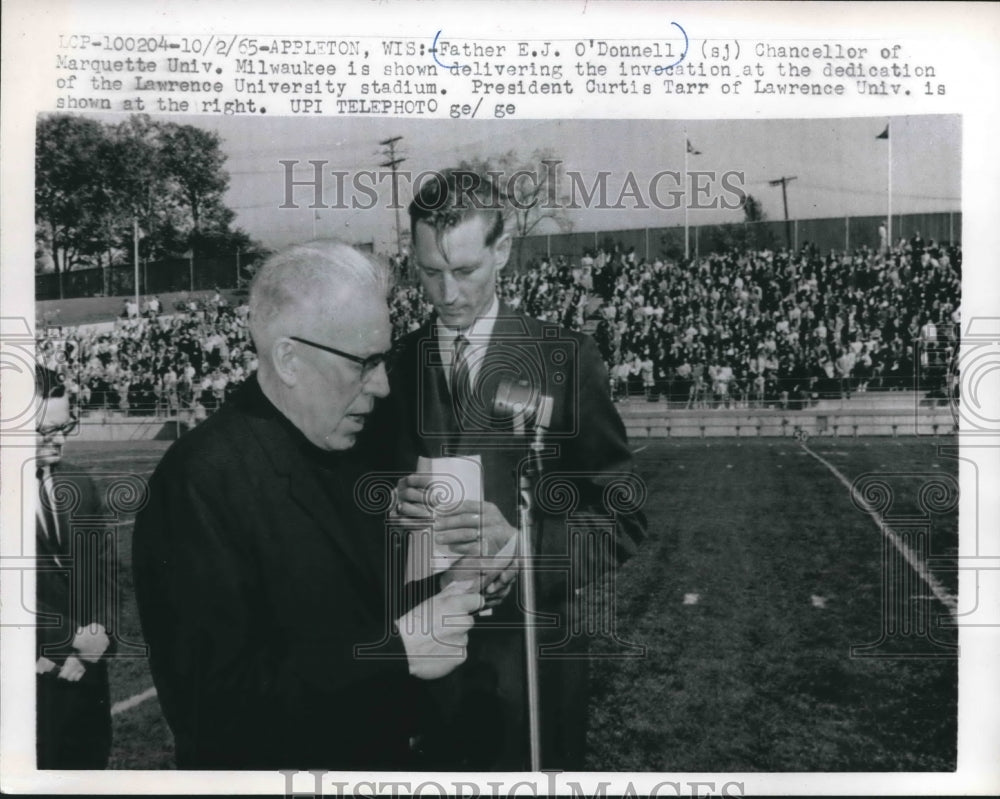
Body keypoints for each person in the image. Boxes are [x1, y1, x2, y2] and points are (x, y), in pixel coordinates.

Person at [132, 240, 489, 769]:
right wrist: (397, 654)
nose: (384, 384)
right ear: (289, 359)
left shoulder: (357, 450)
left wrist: (467, 568)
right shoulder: (199, 482)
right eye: (364, 363)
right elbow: (213, 709)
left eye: (384, 359)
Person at [362, 170, 646, 770]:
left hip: (531, 670)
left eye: (464, 271)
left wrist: (524, 547)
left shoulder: (566, 360)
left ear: (503, 250)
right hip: (416, 666)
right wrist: (384, 504)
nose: (446, 293)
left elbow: (623, 518)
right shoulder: (393, 368)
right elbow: (350, 498)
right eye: (429, 272)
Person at [34, 366, 115, 769]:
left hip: (88, 679)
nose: (60, 439)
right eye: (46, 430)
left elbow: (106, 573)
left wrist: (98, 637)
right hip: (29, 682)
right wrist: (69, 640)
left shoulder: (79, 483)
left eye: (64, 427)